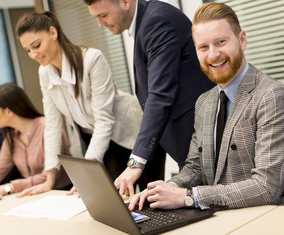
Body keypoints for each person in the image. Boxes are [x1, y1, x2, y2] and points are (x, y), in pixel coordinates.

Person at [129, 2, 284, 211]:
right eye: (203, 47)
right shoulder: (204, 102)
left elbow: (267, 187)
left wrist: (189, 196)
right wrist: (168, 188)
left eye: (220, 42)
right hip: (218, 218)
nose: (212, 55)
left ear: (242, 40)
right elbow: (195, 166)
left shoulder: (271, 95)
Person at [84, 0, 215, 196]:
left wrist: (136, 162)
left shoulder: (157, 21)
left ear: (125, 2)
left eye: (103, 15)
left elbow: (159, 95)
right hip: (189, 147)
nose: (100, 24)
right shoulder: (146, 22)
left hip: (202, 141)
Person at [15, 11, 143, 190]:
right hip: (96, 140)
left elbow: (104, 119)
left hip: (132, 134)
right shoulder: (44, 72)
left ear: (53, 33)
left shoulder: (92, 59)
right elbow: (52, 124)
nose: (33, 54)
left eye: (36, 45)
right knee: (111, 201)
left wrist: (88, 174)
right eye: (28, 50)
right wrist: (49, 178)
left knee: (147, 201)